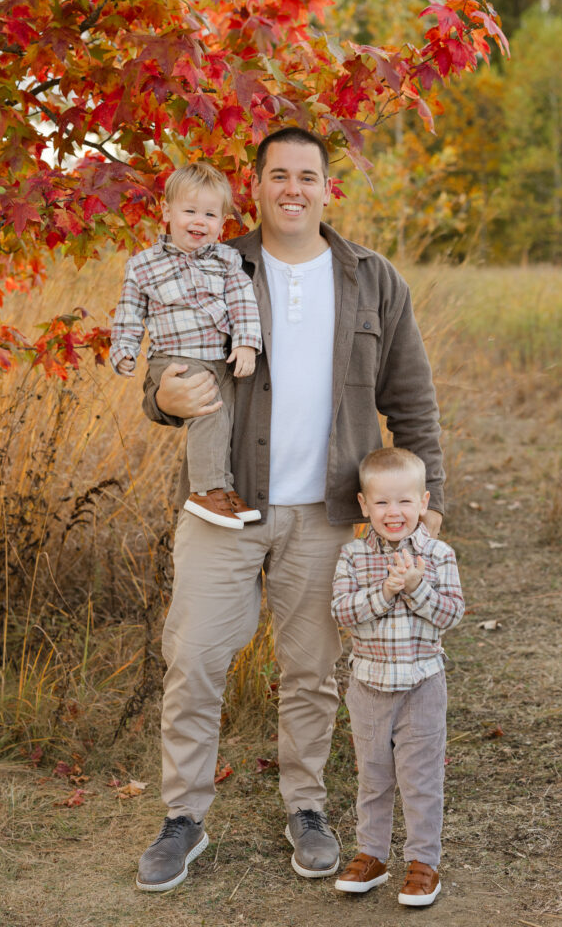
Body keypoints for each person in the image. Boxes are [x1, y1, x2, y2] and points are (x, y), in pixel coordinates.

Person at [135, 126, 446, 893]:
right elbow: (168, 373)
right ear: (258, 183)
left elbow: (410, 397)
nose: (293, 189)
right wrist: (161, 397)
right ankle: (183, 819)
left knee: (311, 671)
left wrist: (428, 494)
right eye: (279, 175)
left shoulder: (372, 279)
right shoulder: (210, 262)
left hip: (329, 513)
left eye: (307, 175)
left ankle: (305, 807)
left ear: (326, 187)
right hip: (225, 507)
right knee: (196, 660)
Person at [332, 446, 464, 907]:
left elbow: (450, 615)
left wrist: (416, 587)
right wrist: (385, 591)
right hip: (368, 685)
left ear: (424, 503)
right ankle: (372, 855)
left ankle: (424, 860)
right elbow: (344, 614)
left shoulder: (439, 554)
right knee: (373, 775)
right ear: (364, 505)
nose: (394, 512)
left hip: (423, 683)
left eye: (405, 501)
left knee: (420, 776)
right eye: (382, 502)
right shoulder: (352, 556)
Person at [110, 162, 262, 529]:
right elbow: (130, 313)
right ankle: (206, 490)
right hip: (175, 359)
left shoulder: (227, 260)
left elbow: (243, 302)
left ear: (223, 221)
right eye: (189, 211)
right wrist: (125, 348)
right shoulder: (144, 265)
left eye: (209, 214)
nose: (199, 221)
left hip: (218, 360)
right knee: (207, 412)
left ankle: (222, 489)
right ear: (167, 211)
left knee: (223, 421)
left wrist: (245, 344)